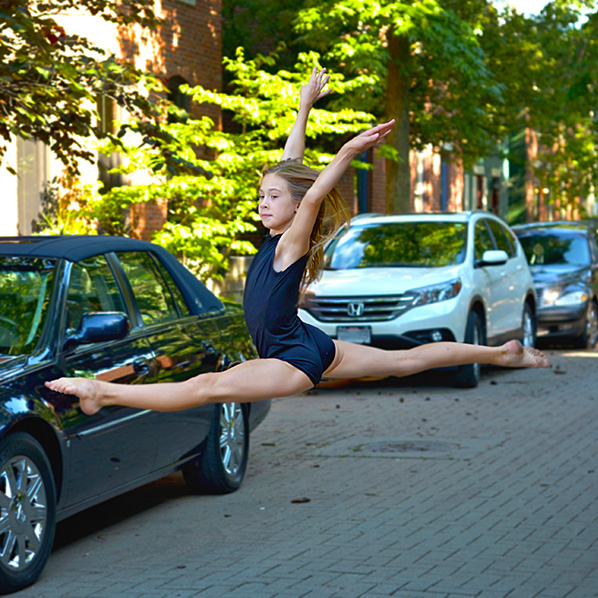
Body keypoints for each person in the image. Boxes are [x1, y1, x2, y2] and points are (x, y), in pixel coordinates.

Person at [45, 67, 551, 415]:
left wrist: (349, 150)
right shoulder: (279, 237)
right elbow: (293, 170)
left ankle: (101, 395)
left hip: (292, 358)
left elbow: (307, 198)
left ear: (291, 208)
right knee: (406, 360)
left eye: (272, 198)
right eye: (260, 196)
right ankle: (502, 354)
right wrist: (303, 107)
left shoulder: (292, 243)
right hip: (309, 341)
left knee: (207, 388)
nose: (263, 203)